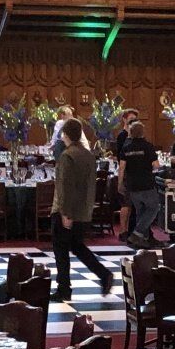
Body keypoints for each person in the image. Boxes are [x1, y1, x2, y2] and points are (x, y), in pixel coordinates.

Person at [52, 120, 114, 302]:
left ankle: (64, 288)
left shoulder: (67, 156)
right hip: (84, 210)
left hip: (66, 210)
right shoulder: (88, 155)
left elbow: (65, 186)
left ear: (66, 135)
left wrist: (65, 213)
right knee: (77, 246)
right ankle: (103, 274)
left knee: (60, 250)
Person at [119, 119, 163, 246]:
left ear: (131, 133)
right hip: (147, 184)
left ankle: (142, 239)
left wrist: (120, 184)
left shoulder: (126, 148)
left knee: (141, 212)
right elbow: (156, 165)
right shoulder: (148, 146)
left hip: (132, 186)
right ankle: (137, 234)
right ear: (143, 132)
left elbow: (121, 168)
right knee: (154, 208)